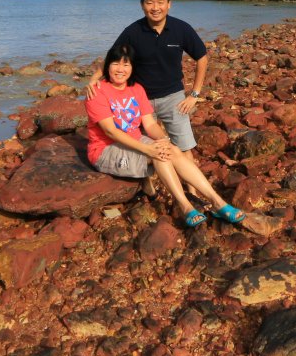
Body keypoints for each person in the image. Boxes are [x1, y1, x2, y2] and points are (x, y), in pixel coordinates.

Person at [86, 42, 244, 228]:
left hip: (134, 140)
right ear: (107, 66)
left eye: (126, 64)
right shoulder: (97, 91)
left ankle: (218, 202)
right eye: (115, 64)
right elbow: (110, 131)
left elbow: (150, 123)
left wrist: (163, 140)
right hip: (105, 149)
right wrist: (148, 149)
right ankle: (185, 206)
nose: (120, 69)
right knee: (159, 155)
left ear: (133, 67)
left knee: (172, 149)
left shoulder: (136, 89)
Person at [87, 0, 208, 169]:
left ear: (169, 4)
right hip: (140, 99)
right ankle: (147, 186)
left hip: (173, 97)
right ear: (142, 5)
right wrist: (94, 79)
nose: (155, 8)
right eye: (150, 3)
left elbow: (202, 57)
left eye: (160, 2)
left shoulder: (181, 29)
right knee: (143, 147)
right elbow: (114, 58)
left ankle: (192, 193)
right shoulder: (133, 32)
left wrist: (194, 94)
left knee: (184, 148)